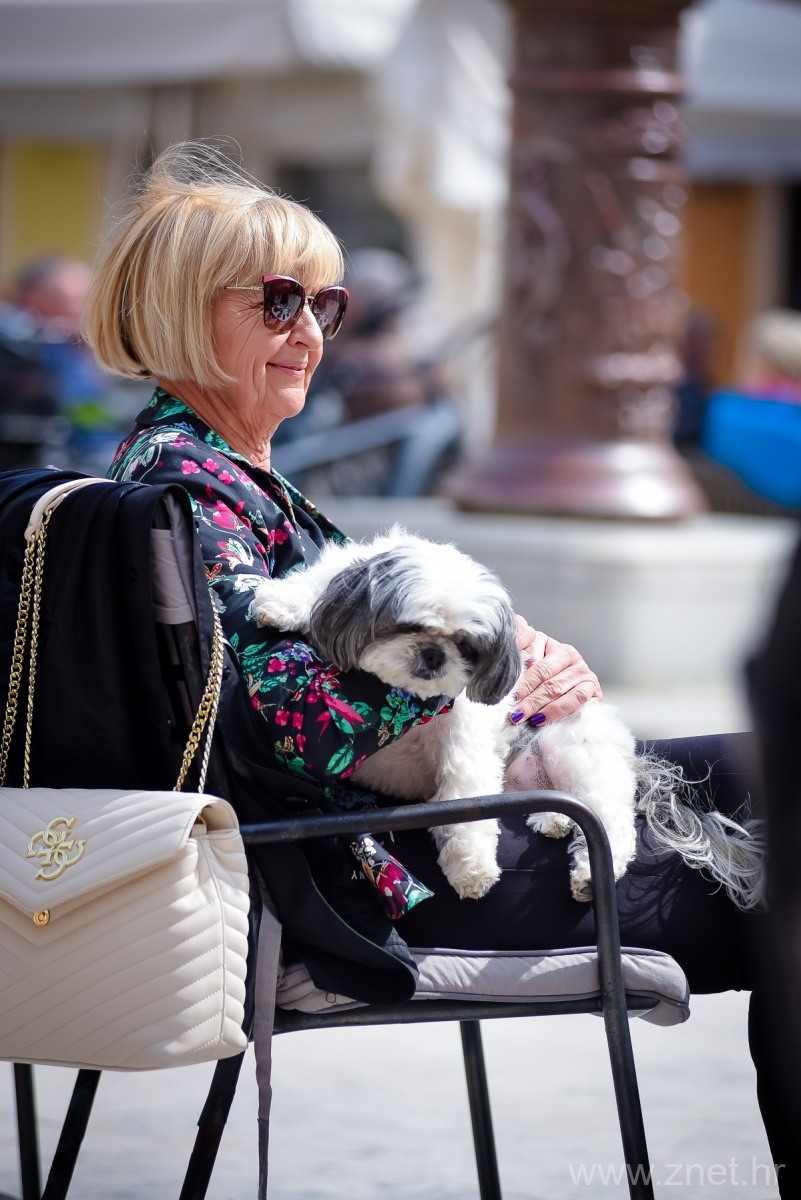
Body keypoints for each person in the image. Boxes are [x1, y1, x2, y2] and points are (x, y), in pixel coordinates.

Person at [80, 142, 791, 1191]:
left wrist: (512, 647)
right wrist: (479, 659)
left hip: (392, 831)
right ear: (182, 310)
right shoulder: (191, 491)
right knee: (783, 885)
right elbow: (297, 723)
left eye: (328, 305)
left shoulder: (227, 472)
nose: (310, 331)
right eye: (278, 301)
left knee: (756, 769)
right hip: (359, 882)